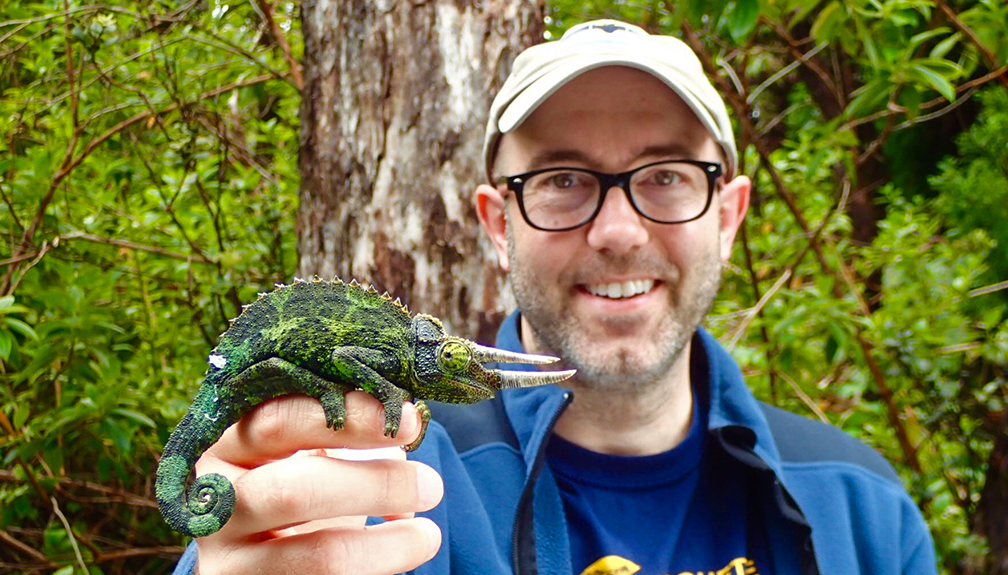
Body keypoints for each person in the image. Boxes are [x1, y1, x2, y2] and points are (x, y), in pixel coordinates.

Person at [172, 20, 937, 575]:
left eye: (666, 175)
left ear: (729, 215)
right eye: (563, 181)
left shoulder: (860, 510)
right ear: (498, 224)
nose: (617, 231)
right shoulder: (397, 469)